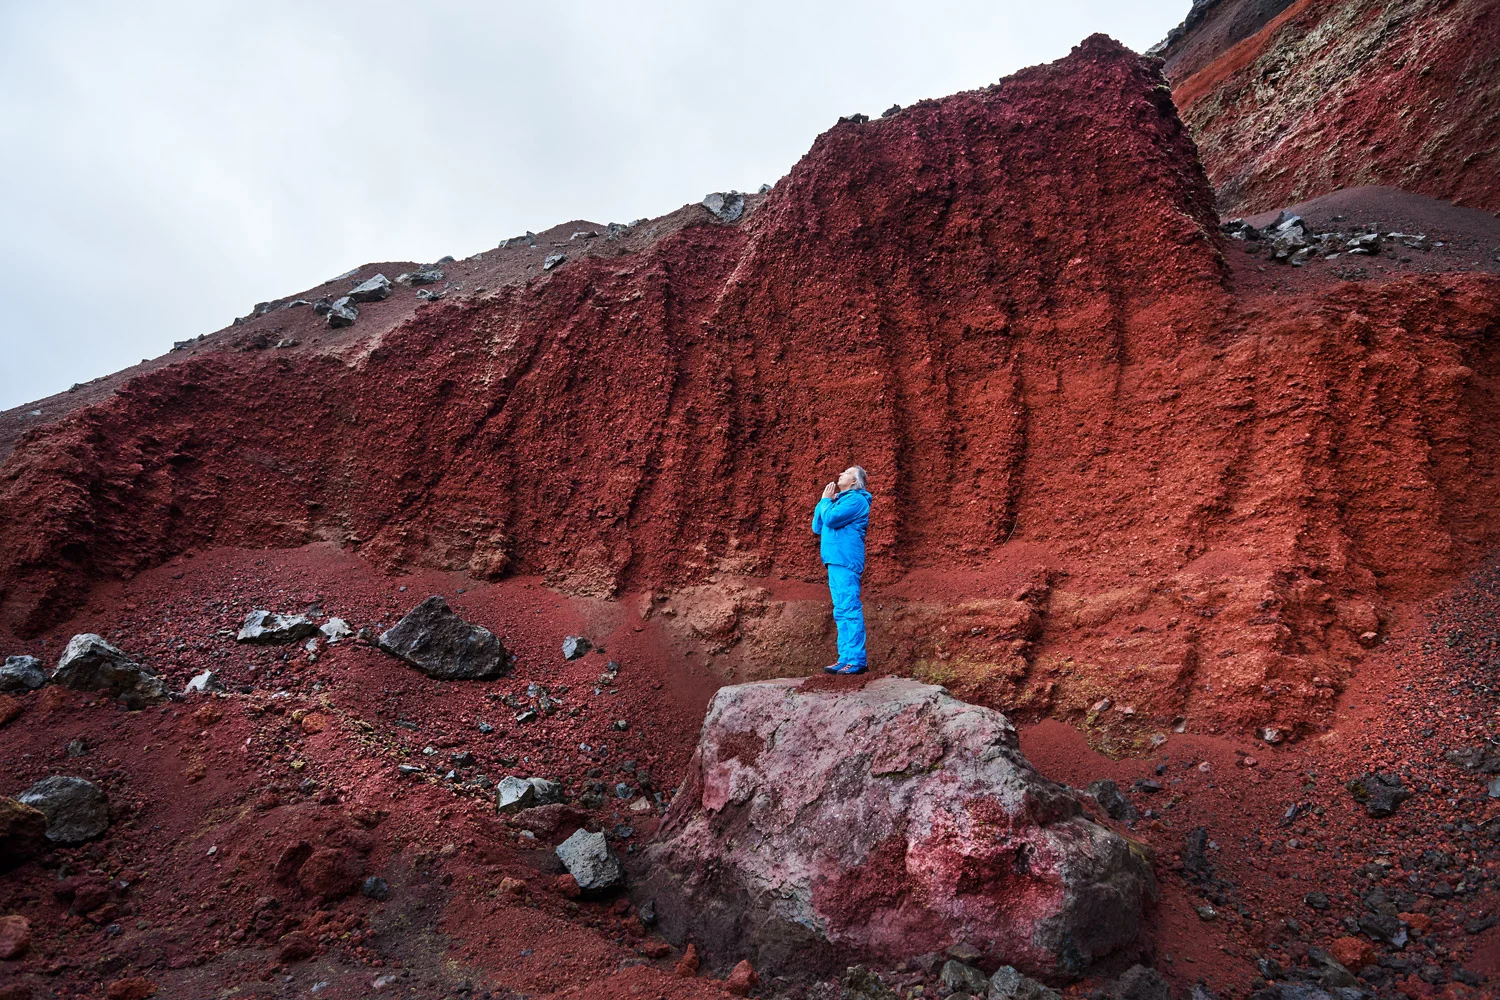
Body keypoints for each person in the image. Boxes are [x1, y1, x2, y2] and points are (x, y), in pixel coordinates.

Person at [811, 466, 872, 675]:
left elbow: (829, 519)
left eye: (846, 473)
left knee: (849, 607)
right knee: (841, 610)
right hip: (835, 561)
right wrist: (824, 501)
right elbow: (817, 526)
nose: (840, 475)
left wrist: (826, 502)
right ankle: (845, 657)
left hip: (846, 561)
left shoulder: (856, 500)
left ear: (855, 482)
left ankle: (856, 660)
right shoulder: (839, 501)